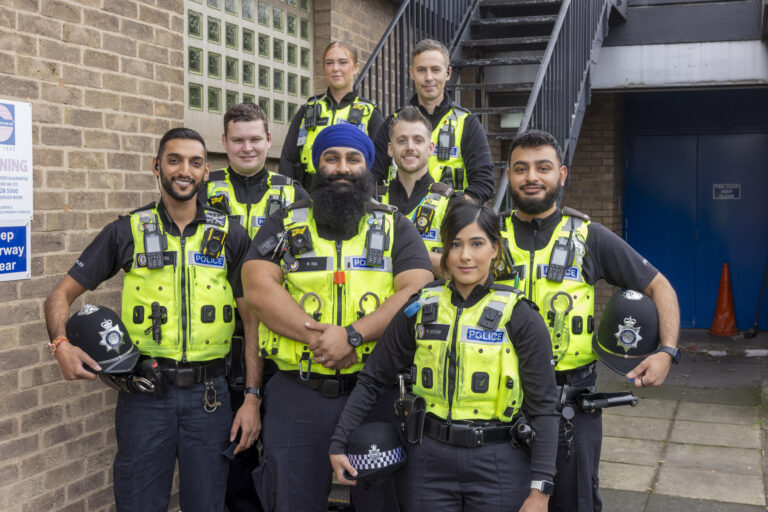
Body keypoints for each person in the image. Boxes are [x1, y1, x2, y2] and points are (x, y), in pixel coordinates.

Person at [43, 128, 258, 512]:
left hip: (210, 399)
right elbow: (60, 295)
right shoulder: (126, 231)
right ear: (156, 167)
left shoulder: (230, 236)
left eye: (194, 162)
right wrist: (60, 344)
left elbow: (253, 323)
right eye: (174, 160)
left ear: (206, 171)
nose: (184, 170)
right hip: (144, 396)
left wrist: (253, 398)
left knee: (208, 504)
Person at [243, 123, 433, 511]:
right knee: (290, 499)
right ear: (317, 166)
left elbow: (417, 290)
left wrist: (353, 336)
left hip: (373, 395)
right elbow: (257, 286)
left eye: (353, 159)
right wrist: (318, 338)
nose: (342, 168)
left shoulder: (394, 225)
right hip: (298, 392)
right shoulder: (284, 222)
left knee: (380, 500)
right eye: (331, 158)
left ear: (369, 167)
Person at [329, 201, 559, 511]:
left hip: (499, 461)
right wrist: (339, 442)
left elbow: (544, 407)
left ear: (495, 248)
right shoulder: (420, 307)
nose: (465, 256)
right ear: (445, 251)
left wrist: (540, 490)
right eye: (455, 244)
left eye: (477, 243)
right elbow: (373, 378)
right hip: (427, 461)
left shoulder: (520, 316)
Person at [497, 129, 681, 512]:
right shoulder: (486, 237)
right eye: (521, 168)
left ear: (562, 175)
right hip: (499, 403)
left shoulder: (588, 237)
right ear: (508, 176)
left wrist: (666, 352)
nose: (532, 177)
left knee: (575, 502)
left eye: (543, 168)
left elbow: (660, 286)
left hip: (571, 409)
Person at [202, 103, 307, 512]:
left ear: (270, 142)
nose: (247, 148)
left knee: (281, 449)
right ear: (224, 142)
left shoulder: (293, 192)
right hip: (222, 337)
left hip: (280, 338)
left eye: (255, 139)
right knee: (234, 450)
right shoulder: (205, 187)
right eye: (238, 140)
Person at [370, 39, 494, 204]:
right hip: (398, 223)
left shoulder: (467, 123)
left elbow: (483, 184)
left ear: (448, 73)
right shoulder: (393, 123)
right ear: (411, 72)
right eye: (421, 70)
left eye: (435, 70)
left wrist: (451, 212)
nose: (429, 77)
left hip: (448, 225)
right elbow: (373, 178)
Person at [279, 41, 385, 192]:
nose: (335, 68)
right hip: (309, 194)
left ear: (356, 68)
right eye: (329, 63)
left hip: (353, 195)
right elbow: (288, 159)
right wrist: (289, 194)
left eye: (342, 62)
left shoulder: (371, 114)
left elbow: (380, 165)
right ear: (324, 67)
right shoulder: (307, 110)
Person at [378, 105, 465, 276]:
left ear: (431, 148)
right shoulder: (374, 200)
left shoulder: (452, 203)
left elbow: (464, 268)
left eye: (418, 140)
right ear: (390, 148)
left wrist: (402, 253)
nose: (410, 147)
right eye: (402, 140)